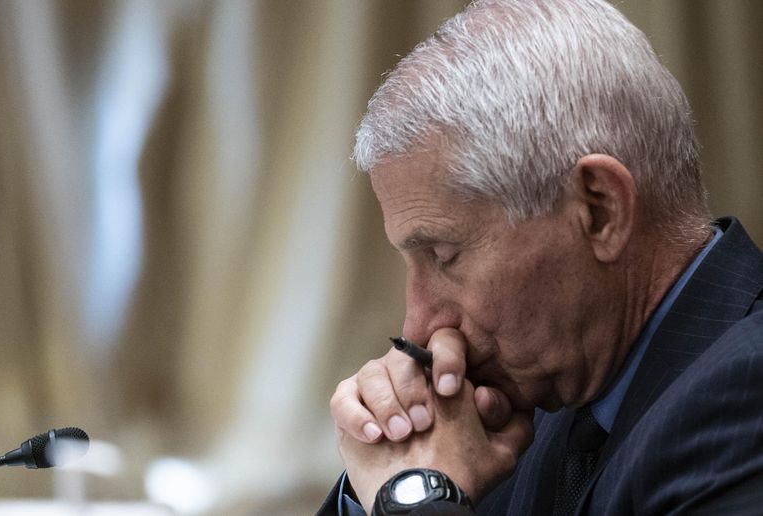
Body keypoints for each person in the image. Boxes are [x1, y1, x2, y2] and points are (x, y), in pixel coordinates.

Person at [316, 0, 763, 514]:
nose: (417, 329)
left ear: (599, 210)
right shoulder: (533, 394)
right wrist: (385, 480)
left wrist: (416, 499)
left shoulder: (744, 398)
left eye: (445, 256)